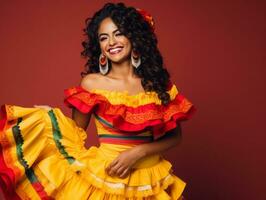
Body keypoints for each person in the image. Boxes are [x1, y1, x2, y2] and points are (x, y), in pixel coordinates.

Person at [0, 2, 196, 200]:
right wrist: (50, 117)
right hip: (108, 179)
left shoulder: (158, 84)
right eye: (104, 38)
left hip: (153, 178)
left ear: (133, 38)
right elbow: (76, 132)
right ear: (99, 47)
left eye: (118, 33)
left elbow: (175, 137)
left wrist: (138, 153)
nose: (111, 42)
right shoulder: (92, 83)